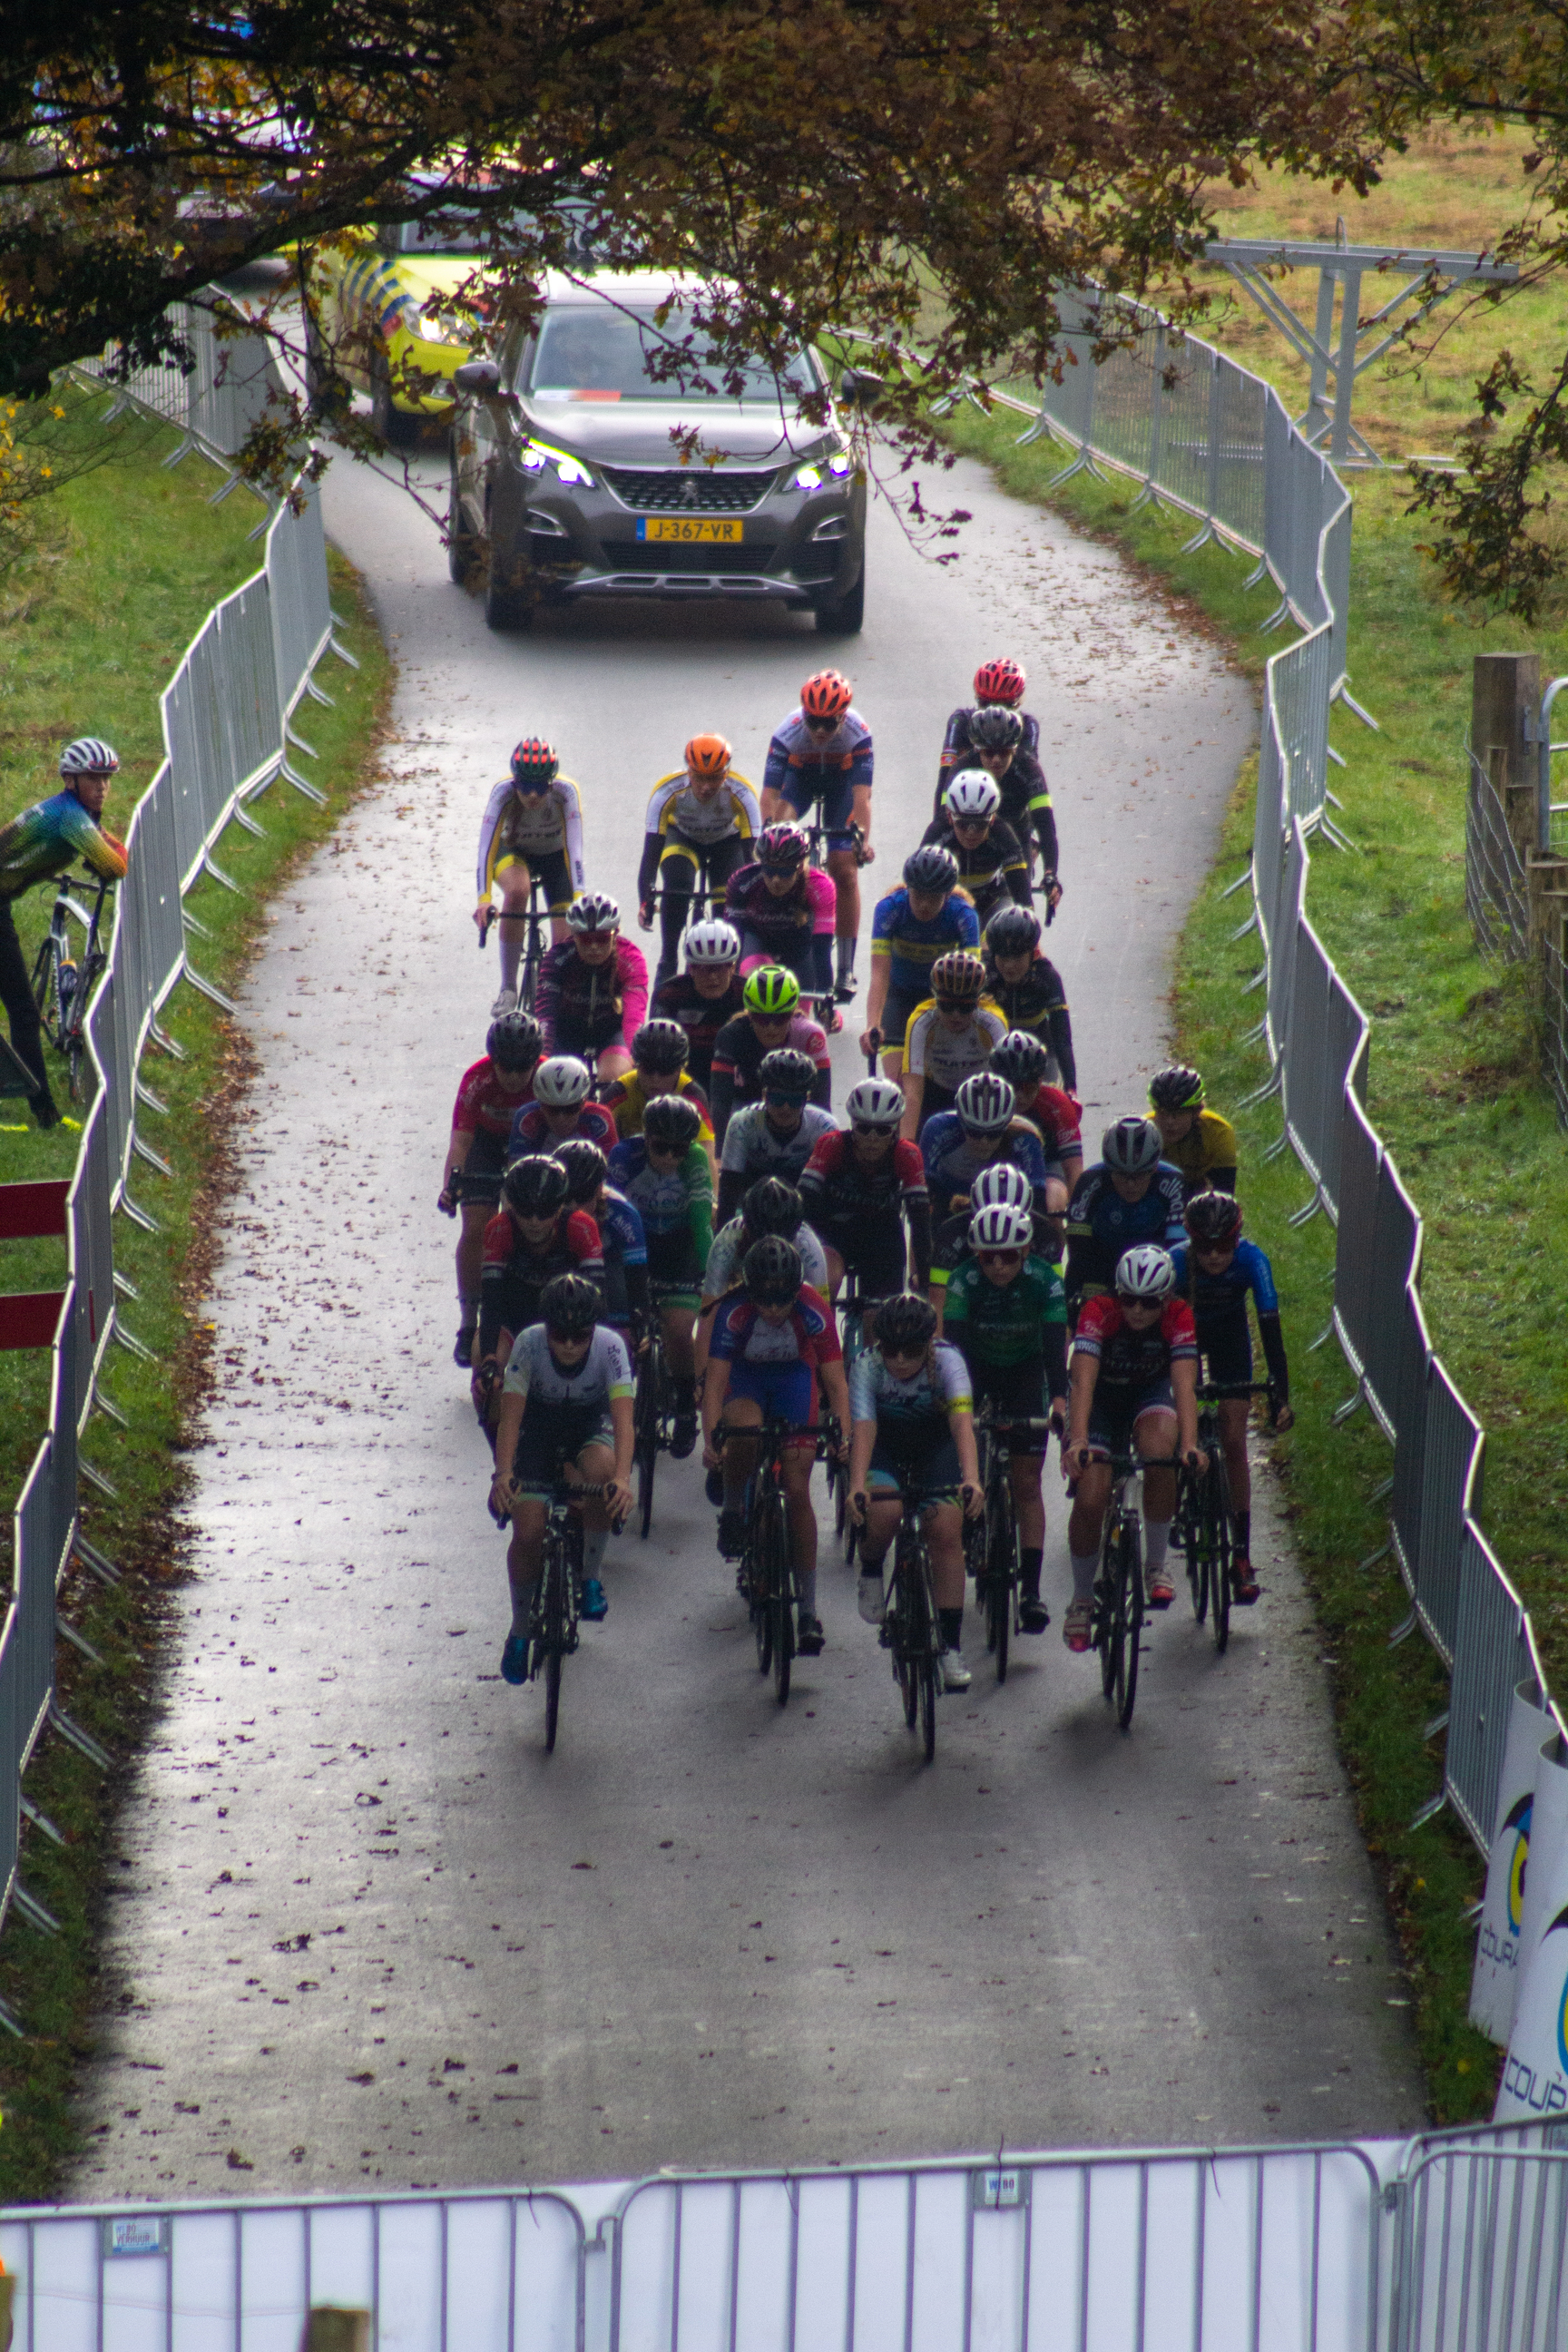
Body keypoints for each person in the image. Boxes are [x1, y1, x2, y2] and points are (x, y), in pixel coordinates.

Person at [702, 1236, 850, 1655]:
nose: (771, 1311)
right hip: (746, 1381)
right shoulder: (734, 1312)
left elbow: (836, 1382)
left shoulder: (811, 1309)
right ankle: (734, 1510)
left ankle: (808, 1611)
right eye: (763, 1301)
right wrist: (714, 1438)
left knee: (800, 1489)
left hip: (794, 1381)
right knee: (743, 1432)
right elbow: (714, 1386)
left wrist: (843, 1432)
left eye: (781, 1302)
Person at [488, 1273, 634, 1675]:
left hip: (590, 1423)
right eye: (560, 1335)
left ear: (593, 1331)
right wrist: (503, 1474)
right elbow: (511, 1418)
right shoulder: (529, 1344)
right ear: (546, 1329)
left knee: (603, 1475)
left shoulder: (611, 1347)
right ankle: (519, 1630)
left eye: (579, 1335)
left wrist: (622, 1479)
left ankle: (590, 1576)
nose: (569, 1344)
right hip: (538, 1427)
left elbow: (624, 1422)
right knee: (529, 1532)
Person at [1063, 1243, 1204, 1648]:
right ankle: (1082, 1598)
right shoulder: (1099, 1311)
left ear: (1166, 1298)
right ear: (1117, 1293)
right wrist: (1078, 1441)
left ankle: (1156, 1566)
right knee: (1090, 1498)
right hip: (1103, 1400)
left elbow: (1183, 1386)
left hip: (1150, 1392)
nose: (1138, 1311)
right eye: (1129, 1300)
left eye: (1149, 1302)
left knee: (1161, 1452)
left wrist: (1190, 1445)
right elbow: (1083, 1383)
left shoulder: (1179, 1316)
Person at [941, 1201, 1068, 1635]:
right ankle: (969, 1529)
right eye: (987, 1256)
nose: (997, 1266)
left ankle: (1031, 1592)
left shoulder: (1046, 1282)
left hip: (1027, 1371)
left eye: (1009, 1255)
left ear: (1027, 1249)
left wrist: (1061, 1404)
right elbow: (952, 1350)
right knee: (965, 1460)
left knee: (1027, 1483)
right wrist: (955, 1408)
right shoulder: (963, 1281)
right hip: (975, 1369)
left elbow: (1055, 1349)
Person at [848, 1290, 984, 1691]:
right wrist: (857, 1486)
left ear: (928, 1345)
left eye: (911, 1350)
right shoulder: (867, 1366)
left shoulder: (948, 1361)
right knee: (885, 1515)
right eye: (891, 1349)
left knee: (945, 1531)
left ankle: (951, 1647)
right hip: (885, 1449)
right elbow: (864, 1430)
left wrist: (972, 1479)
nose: (901, 1360)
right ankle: (871, 1565)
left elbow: (962, 1425)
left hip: (934, 1447)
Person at [1169, 1190, 1293, 1604]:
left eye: (1224, 1246)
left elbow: (1269, 1326)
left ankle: (1240, 1556)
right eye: (1205, 1247)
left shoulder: (1251, 1260)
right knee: (1175, 1423)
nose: (1215, 1257)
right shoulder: (1176, 1263)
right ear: (1191, 1240)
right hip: (1182, 1340)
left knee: (1235, 1439)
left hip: (1230, 1342)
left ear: (1237, 1239)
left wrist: (1280, 1396)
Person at [0, 736, 127, 1129]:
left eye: (106, 779)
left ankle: (43, 1110)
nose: (102, 787)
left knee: (21, 1009)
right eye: (93, 779)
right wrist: (111, 856)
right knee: (22, 1009)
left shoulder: (74, 813)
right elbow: (115, 863)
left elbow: (113, 853)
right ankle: (46, 1113)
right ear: (71, 781)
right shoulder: (70, 818)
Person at [607, 1092, 714, 1457]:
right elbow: (608, 1218)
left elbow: (702, 1226)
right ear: (645, 1137)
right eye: (660, 1147)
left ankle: (685, 1405)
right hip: (633, 1243)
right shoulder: (623, 1158)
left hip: (680, 1246)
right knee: (620, 1327)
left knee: (680, 1329)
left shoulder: (696, 1161)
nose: (669, 1157)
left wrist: (708, 1273)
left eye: (678, 1149)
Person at [438, 1009, 544, 1366]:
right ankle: (469, 1323)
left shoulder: (546, 1076)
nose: (514, 1077)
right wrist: (452, 1183)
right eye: (506, 1067)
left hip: (529, 1144)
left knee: (527, 1222)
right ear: (493, 1061)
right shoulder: (476, 1079)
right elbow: (461, 1142)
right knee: (476, 1229)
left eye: (522, 1068)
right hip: (485, 1144)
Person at [760, 670, 874, 1000]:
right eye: (813, 722)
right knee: (782, 829)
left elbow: (861, 798)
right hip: (801, 781)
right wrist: (769, 838)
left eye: (830, 723)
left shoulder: (858, 733)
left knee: (844, 869)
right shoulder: (787, 732)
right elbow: (770, 794)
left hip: (842, 786)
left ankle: (846, 968)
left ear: (844, 716)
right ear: (804, 715)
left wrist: (862, 842)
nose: (821, 731)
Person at [476, 1155, 604, 1428]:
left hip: (564, 1325)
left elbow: (598, 1299)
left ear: (560, 1206)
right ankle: (503, 1461)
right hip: (514, 1321)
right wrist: (489, 1357)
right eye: (524, 1210)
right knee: (482, 1359)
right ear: (511, 1206)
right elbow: (491, 1303)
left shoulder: (581, 1227)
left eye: (544, 1211)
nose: (534, 1221)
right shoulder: (499, 1229)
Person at [798, 1075, 933, 1328]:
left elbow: (921, 1223)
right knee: (824, 1287)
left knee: (879, 1324)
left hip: (882, 1240)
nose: (872, 1138)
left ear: (894, 1128)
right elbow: (803, 1203)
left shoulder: (907, 1155)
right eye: (864, 1128)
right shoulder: (832, 1144)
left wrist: (924, 1282)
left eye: (882, 1130)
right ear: (852, 1124)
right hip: (834, 1233)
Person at [473, 738, 587, 1015]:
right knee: (518, 892)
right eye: (525, 786)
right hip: (513, 853)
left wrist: (580, 897)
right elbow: (486, 850)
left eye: (540, 787)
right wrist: (483, 899)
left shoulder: (566, 793)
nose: (533, 795)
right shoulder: (502, 794)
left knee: (564, 938)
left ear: (551, 782)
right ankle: (508, 989)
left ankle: (557, 992)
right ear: (515, 782)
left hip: (553, 857)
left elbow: (575, 849)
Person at [637, 735, 762, 985]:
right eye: (699, 777)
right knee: (677, 884)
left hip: (726, 843)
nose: (706, 786)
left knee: (727, 901)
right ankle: (669, 959)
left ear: (726, 774)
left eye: (714, 778)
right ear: (689, 772)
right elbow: (650, 854)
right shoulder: (666, 792)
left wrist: (753, 903)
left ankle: (726, 967)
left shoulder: (743, 794)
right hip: (682, 837)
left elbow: (753, 862)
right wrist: (646, 900)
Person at [861, 847, 979, 1086]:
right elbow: (880, 975)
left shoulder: (964, 915)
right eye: (918, 895)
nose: (924, 905)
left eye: (933, 897)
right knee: (899, 1085)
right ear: (908, 890)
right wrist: (872, 1024)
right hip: (900, 996)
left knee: (942, 1084)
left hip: (943, 1002)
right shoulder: (889, 909)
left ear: (947, 895)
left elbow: (973, 980)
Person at [1063, 1116, 1187, 1318]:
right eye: (1121, 1175)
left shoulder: (1172, 1182)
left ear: (1154, 1167)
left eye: (1139, 1176)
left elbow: (1178, 1251)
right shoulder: (1090, 1182)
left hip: (1155, 1264)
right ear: (1108, 1168)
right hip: (1102, 1265)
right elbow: (1078, 1256)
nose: (1130, 1185)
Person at [951, 705, 1060, 909]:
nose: (996, 759)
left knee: (1020, 908)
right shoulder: (962, 767)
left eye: (1004, 752)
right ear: (978, 749)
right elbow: (943, 818)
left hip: (1017, 831)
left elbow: (1045, 825)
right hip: (974, 829)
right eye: (989, 752)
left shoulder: (1029, 768)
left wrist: (1050, 874)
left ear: (1015, 749)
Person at [709, 965, 830, 1145]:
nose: (771, 1028)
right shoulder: (730, 1034)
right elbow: (720, 1102)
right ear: (749, 1015)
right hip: (746, 1107)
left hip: (793, 1108)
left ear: (792, 1014)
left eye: (780, 1018)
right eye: (762, 1019)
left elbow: (822, 1105)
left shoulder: (811, 1035)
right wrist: (718, 1155)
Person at [722, 823, 837, 1012]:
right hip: (758, 940)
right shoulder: (742, 883)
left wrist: (826, 1000)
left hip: (800, 948)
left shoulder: (821, 887)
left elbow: (822, 952)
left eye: (785, 872)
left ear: (800, 867)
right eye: (768, 870)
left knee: (799, 1016)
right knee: (755, 992)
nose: (775, 879)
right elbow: (734, 944)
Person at [716, 1046, 837, 1224]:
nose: (786, 1108)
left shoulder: (823, 1126)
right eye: (778, 1099)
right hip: (753, 1199)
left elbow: (829, 1195)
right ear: (764, 1095)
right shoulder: (743, 1123)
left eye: (795, 1100)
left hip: (804, 1198)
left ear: (807, 1098)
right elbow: (729, 1192)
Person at [536, 892, 649, 1083]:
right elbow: (546, 1015)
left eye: (603, 938)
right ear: (573, 936)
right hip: (567, 1031)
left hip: (611, 1031)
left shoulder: (630, 959)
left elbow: (633, 1018)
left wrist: (637, 1057)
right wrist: (542, 1060)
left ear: (615, 933)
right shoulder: (558, 958)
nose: (594, 947)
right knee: (559, 1079)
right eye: (586, 940)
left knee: (613, 1078)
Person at [921, 1070, 1051, 1232]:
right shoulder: (938, 1129)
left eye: (993, 1134)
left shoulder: (1026, 1138)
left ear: (1006, 1125)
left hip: (1004, 1203)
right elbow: (923, 1196)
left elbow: (1038, 1205)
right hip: (948, 1198)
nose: (983, 1141)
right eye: (975, 1132)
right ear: (961, 1123)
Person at [986, 1029, 1083, 1245]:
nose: (1020, 1096)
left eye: (1028, 1087)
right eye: (1011, 1087)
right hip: (996, 1162)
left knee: (1052, 1204)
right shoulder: (983, 1097)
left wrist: (1079, 1217)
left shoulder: (1056, 1103)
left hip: (1048, 1163)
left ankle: (1052, 1266)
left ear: (1041, 1079)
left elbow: (1073, 1169)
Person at [898, 950, 1006, 1138]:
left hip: (981, 1096)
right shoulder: (921, 1021)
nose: (956, 1014)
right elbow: (913, 1094)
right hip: (935, 1094)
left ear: (978, 1001)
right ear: (935, 998)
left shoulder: (993, 1022)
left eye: (965, 1007)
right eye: (947, 1006)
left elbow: (1006, 1087)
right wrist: (908, 1148)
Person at [553, 1136, 649, 1346]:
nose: (575, 1207)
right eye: (566, 1198)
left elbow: (636, 1280)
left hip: (611, 1265)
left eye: (583, 1196)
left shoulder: (623, 1214)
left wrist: (639, 1324)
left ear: (599, 1190)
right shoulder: (545, 1207)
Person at [602, 1019, 716, 1176]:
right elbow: (597, 1152)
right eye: (648, 1070)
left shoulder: (692, 1095)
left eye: (665, 1071)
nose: (656, 1079)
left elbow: (706, 1158)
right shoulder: (619, 1092)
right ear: (636, 1064)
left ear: (681, 1069)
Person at [981, 904, 1076, 1093]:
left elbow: (1062, 1038)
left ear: (1033, 954)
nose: (1009, 966)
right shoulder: (984, 973)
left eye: (1017, 958)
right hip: (994, 1047)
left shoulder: (1046, 976)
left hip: (1040, 1047)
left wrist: (1071, 1088)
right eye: (1003, 958)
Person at [919, 770, 1032, 926]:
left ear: (992, 819)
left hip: (992, 899)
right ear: (950, 817)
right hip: (949, 902)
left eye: (980, 824)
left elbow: (1023, 899)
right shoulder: (938, 832)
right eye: (963, 824)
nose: (971, 833)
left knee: (1006, 929)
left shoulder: (1002, 834)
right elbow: (917, 887)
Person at [650, 917, 746, 1093]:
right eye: (704, 968)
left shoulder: (747, 994)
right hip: (685, 1075)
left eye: (721, 967)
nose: (713, 977)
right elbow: (655, 1048)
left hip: (735, 1076)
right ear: (691, 968)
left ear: (733, 967)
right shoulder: (669, 994)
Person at [936, 656, 1042, 799]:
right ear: (977, 698)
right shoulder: (960, 721)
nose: (995, 713)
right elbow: (945, 778)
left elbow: (1032, 778)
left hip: (1012, 807)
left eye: (1005, 706)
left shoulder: (1028, 725)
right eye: (986, 704)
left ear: (1018, 703)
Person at [1148, 1065, 1239, 1199]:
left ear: (1196, 1112)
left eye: (1178, 1114)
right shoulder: (1143, 1133)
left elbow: (1225, 1195)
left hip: (1197, 1191)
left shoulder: (1219, 1133)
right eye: (1162, 1113)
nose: (1169, 1122)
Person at [508, 1054, 619, 1159]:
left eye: (571, 1109)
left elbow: (610, 1172)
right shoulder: (526, 1118)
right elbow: (516, 1171)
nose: (561, 1119)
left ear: (583, 1104)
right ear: (541, 1105)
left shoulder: (600, 1120)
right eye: (553, 1110)